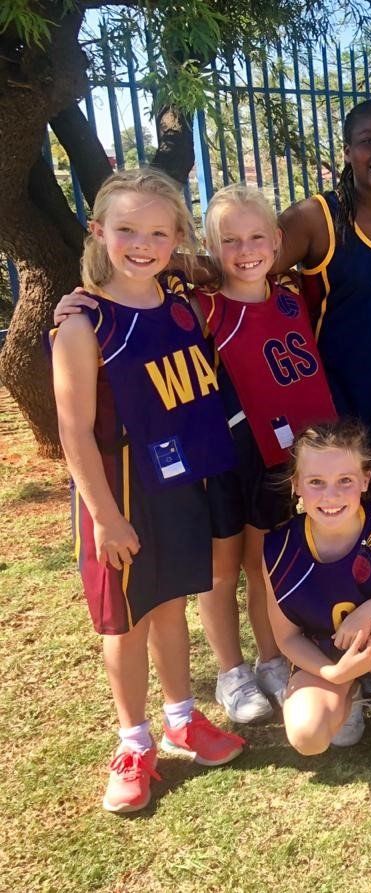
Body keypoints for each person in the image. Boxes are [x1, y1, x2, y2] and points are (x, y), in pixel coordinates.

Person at [51, 168, 245, 813]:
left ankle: (183, 718)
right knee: (125, 618)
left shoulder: (182, 306)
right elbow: (74, 432)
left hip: (177, 480)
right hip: (120, 493)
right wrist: (104, 516)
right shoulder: (82, 323)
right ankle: (133, 742)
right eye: (127, 229)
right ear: (97, 231)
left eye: (159, 231)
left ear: (177, 238)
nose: (142, 243)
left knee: (169, 605)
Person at [188, 184, 338, 724]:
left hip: (284, 455)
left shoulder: (292, 298)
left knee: (263, 566)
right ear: (212, 248)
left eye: (256, 237)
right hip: (229, 456)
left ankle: (270, 657)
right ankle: (231, 672)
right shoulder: (203, 310)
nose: (245, 249)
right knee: (221, 568)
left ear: (277, 241)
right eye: (230, 240)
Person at [262, 421, 371, 799]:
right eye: (316, 483)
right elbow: (286, 636)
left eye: (345, 480)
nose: (331, 495)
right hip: (323, 652)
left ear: (365, 480)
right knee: (308, 736)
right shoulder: (278, 547)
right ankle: (351, 691)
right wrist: (334, 671)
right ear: (296, 485)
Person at [281, 98, 371, 507]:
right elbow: (248, 263)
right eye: (369, 141)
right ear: (347, 150)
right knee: (340, 512)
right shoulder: (317, 217)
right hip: (332, 397)